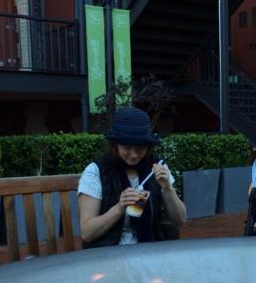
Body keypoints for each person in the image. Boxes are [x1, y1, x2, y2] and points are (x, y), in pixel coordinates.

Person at [78, 106, 187, 247]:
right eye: (127, 148)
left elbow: (180, 220)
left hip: (148, 249)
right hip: (108, 252)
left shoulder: (156, 167)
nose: (134, 155)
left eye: (140, 147)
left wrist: (167, 188)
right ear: (115, 145)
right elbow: (87, 233)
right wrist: (119, 208)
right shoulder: (96, 171)